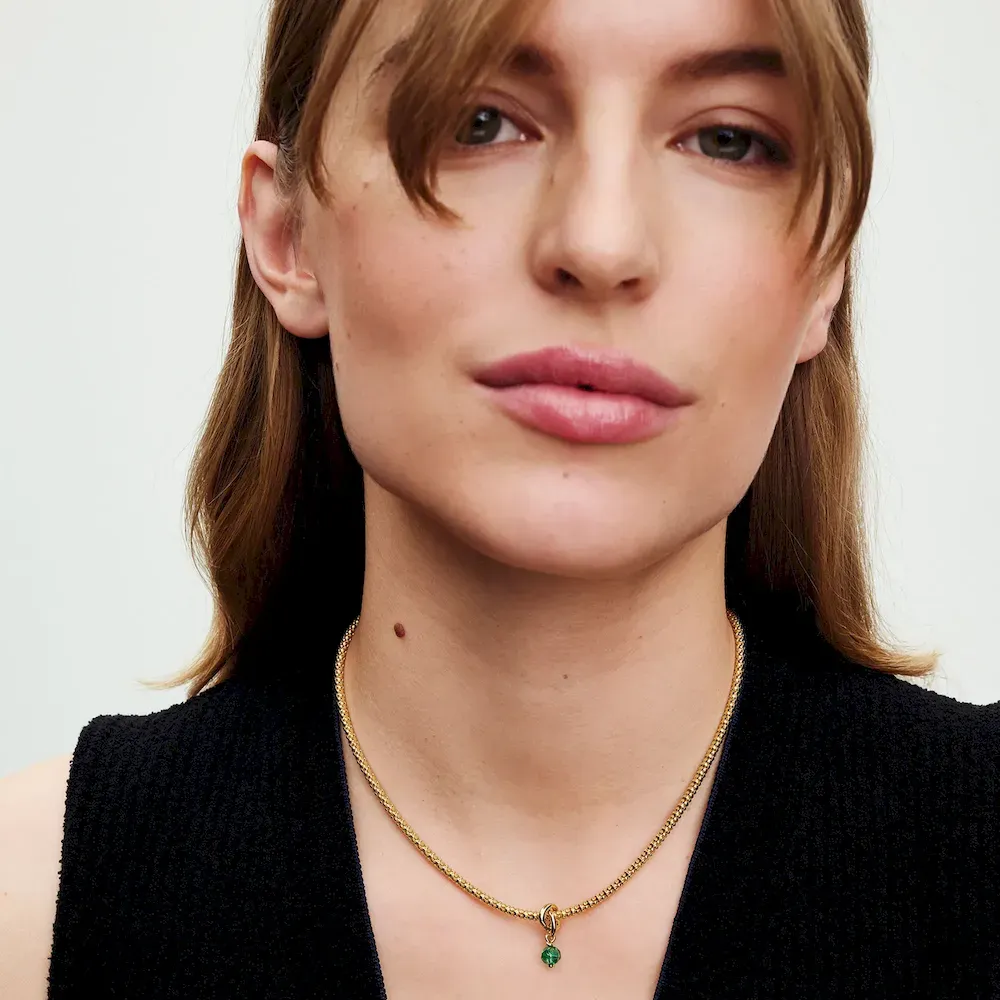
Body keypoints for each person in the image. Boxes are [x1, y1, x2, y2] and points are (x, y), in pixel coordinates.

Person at [2, 0, 997, 996]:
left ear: (826, 270)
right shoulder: (26, 907)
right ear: (287, 233)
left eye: (727, 139)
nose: (601, 243)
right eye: (477, 121)